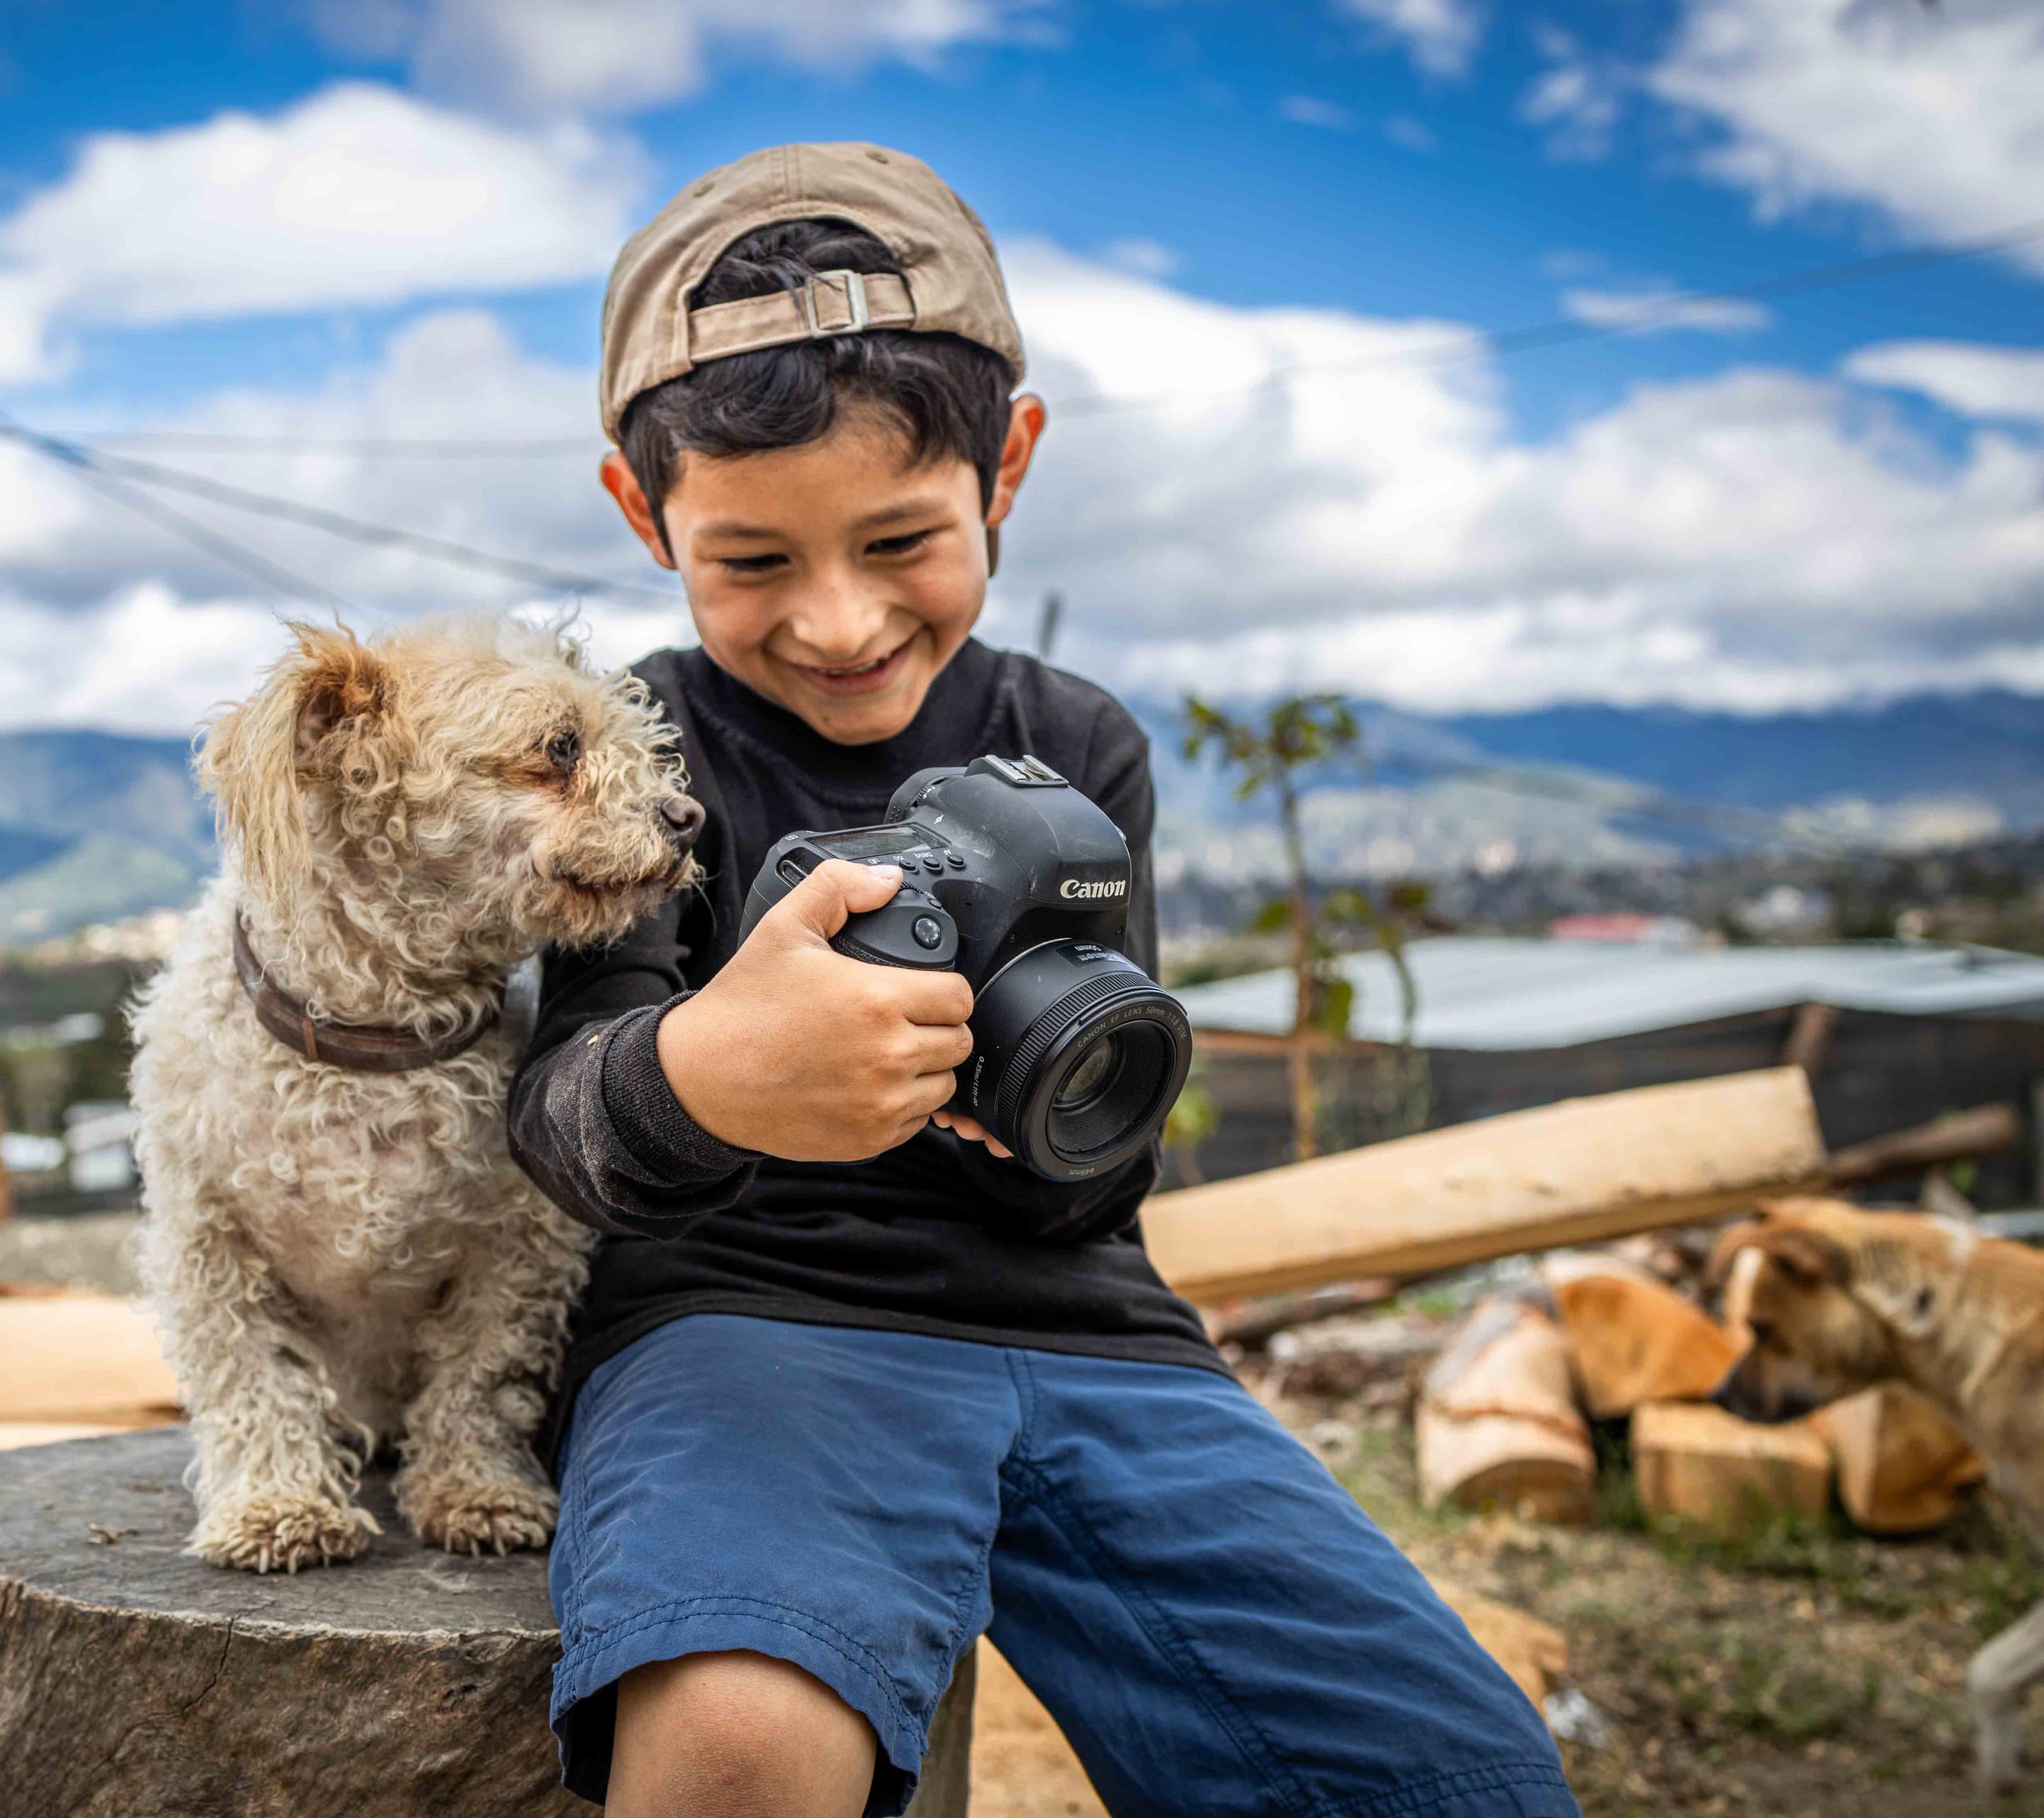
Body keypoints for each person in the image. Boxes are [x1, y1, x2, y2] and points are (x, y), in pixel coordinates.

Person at [509, 141, 1582, 1818]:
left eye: (898, 538)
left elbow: (1111, 1122)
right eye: (753, 562)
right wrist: (711, 1068)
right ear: (641, 514)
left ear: (1008, 462)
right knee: (733, 1750)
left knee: (1459, 1777)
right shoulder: (636, 752)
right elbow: (561, 1110)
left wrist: (1049, 1133)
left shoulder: (1074, 745)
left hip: (1093, 1336)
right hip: (742, 1324)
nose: (842, 619)